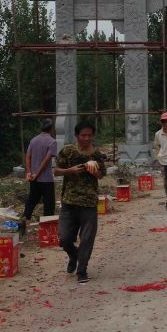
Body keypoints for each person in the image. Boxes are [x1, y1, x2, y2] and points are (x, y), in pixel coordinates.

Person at [54, 120, 106, 284]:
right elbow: (56, 171)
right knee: (64, 238)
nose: (86, 138)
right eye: (83, 135)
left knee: (87, 239)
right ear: (77, 136)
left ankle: (82, 270)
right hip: (69, 201)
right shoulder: (68, 151)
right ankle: (73, 255)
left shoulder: (96, 155)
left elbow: (102, 174)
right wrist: (69, 171)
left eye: (89, 135)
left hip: (89, 203)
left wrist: (95, 172)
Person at [20, 118, 58, 236]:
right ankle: (47, 232)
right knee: (49, 204)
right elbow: (46, 160)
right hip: (46, 179)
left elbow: (28, 156)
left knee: (32, 200)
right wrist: (37, 173)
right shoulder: (52, 141)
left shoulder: (33, 140)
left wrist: (29, 172)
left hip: (34, 179)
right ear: (51, 128)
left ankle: (24, 218)